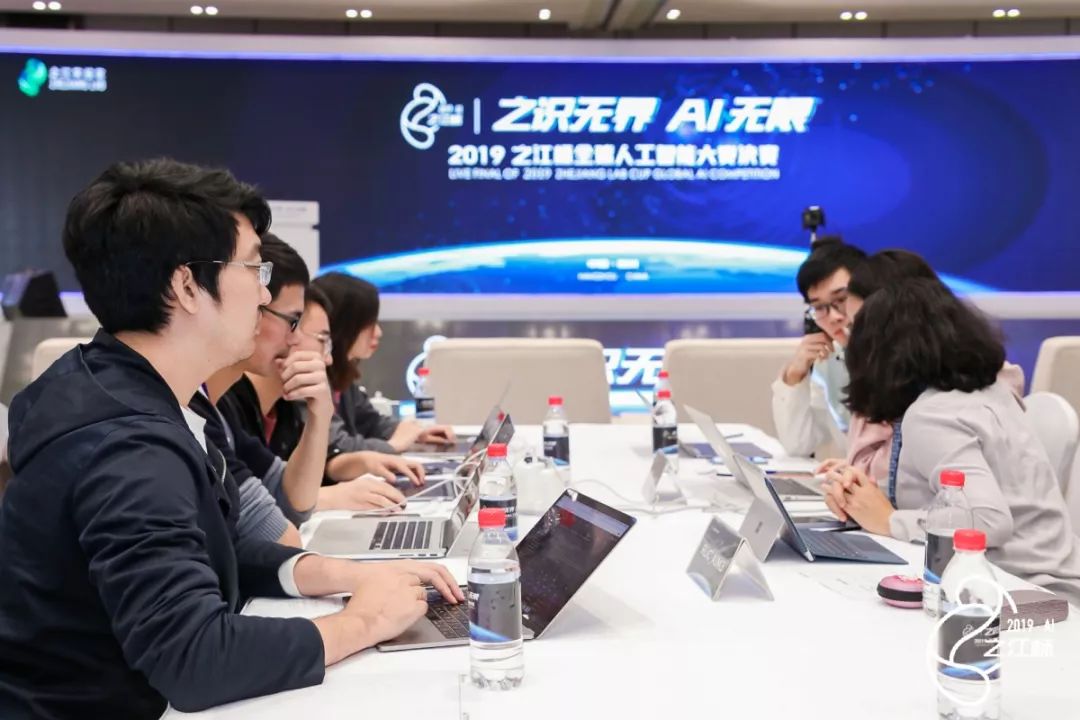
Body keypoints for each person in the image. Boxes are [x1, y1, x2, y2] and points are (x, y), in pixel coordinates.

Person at [0, 158, 462, 720]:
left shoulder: (125, 388)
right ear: (187, 286)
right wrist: (363, 622)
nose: (263, 295)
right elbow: (195, 658)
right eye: (253, 269)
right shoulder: (127, 445)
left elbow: (207, 549)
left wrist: (344, 574)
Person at [823, 279, 1080, 604]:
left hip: (1023, 595)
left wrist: (890, 521)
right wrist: (865, 500)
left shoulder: (932, 413)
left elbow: (988, 520)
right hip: (1050, 585)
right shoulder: (988, 391)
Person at [214, 235, 420, 511]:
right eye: (292, 321)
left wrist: (321, 417)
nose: (293, 338)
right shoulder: (217, 406)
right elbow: (261, 512)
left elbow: (285, 496)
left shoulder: (282, 409)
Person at [816, 249, 1024, 485]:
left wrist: (868, 480)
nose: (856, 339)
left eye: (861, 327)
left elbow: (964, 500)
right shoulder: (909, 378)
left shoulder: (945, 404)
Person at [312, 272, 457, 454]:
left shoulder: (342, 377)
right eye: (370, 323)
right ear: (345, 325)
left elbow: (370, 422)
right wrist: (392, 446)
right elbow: (334, 446)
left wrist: (415, 432)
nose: (378, 332)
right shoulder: (310, 377)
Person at [771, 238, 866, 457]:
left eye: (841, 299)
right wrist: (795, 376)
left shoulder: (900, 353)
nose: (833, 317)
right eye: (819, 307)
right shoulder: (830, 358)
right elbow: (798, 445)